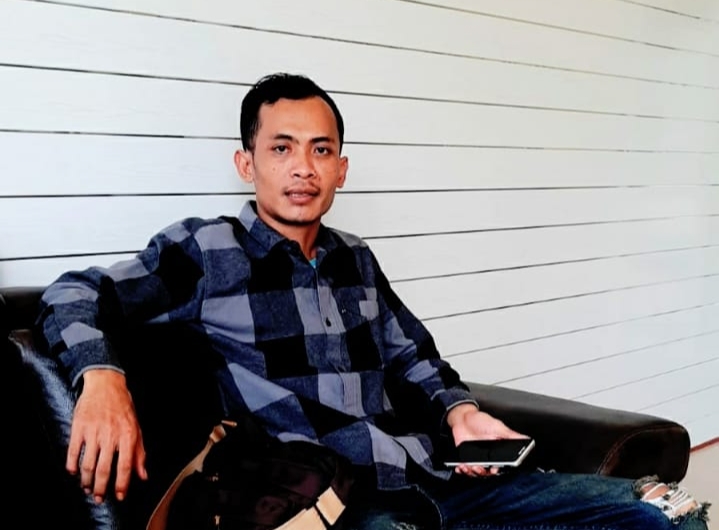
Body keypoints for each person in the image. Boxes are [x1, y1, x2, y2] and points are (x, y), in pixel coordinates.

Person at [36, 72, 710, 530]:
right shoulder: (208, 250)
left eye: (320, 150)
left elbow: (411, 356)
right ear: (247, 163)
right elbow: (73, 293)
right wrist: (103, 378)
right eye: (281, 148)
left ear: (341, 168)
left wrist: (461, 412)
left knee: (661, 510)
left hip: (430, 475)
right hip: (337, 500)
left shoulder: (353, 255)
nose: (303, 167)